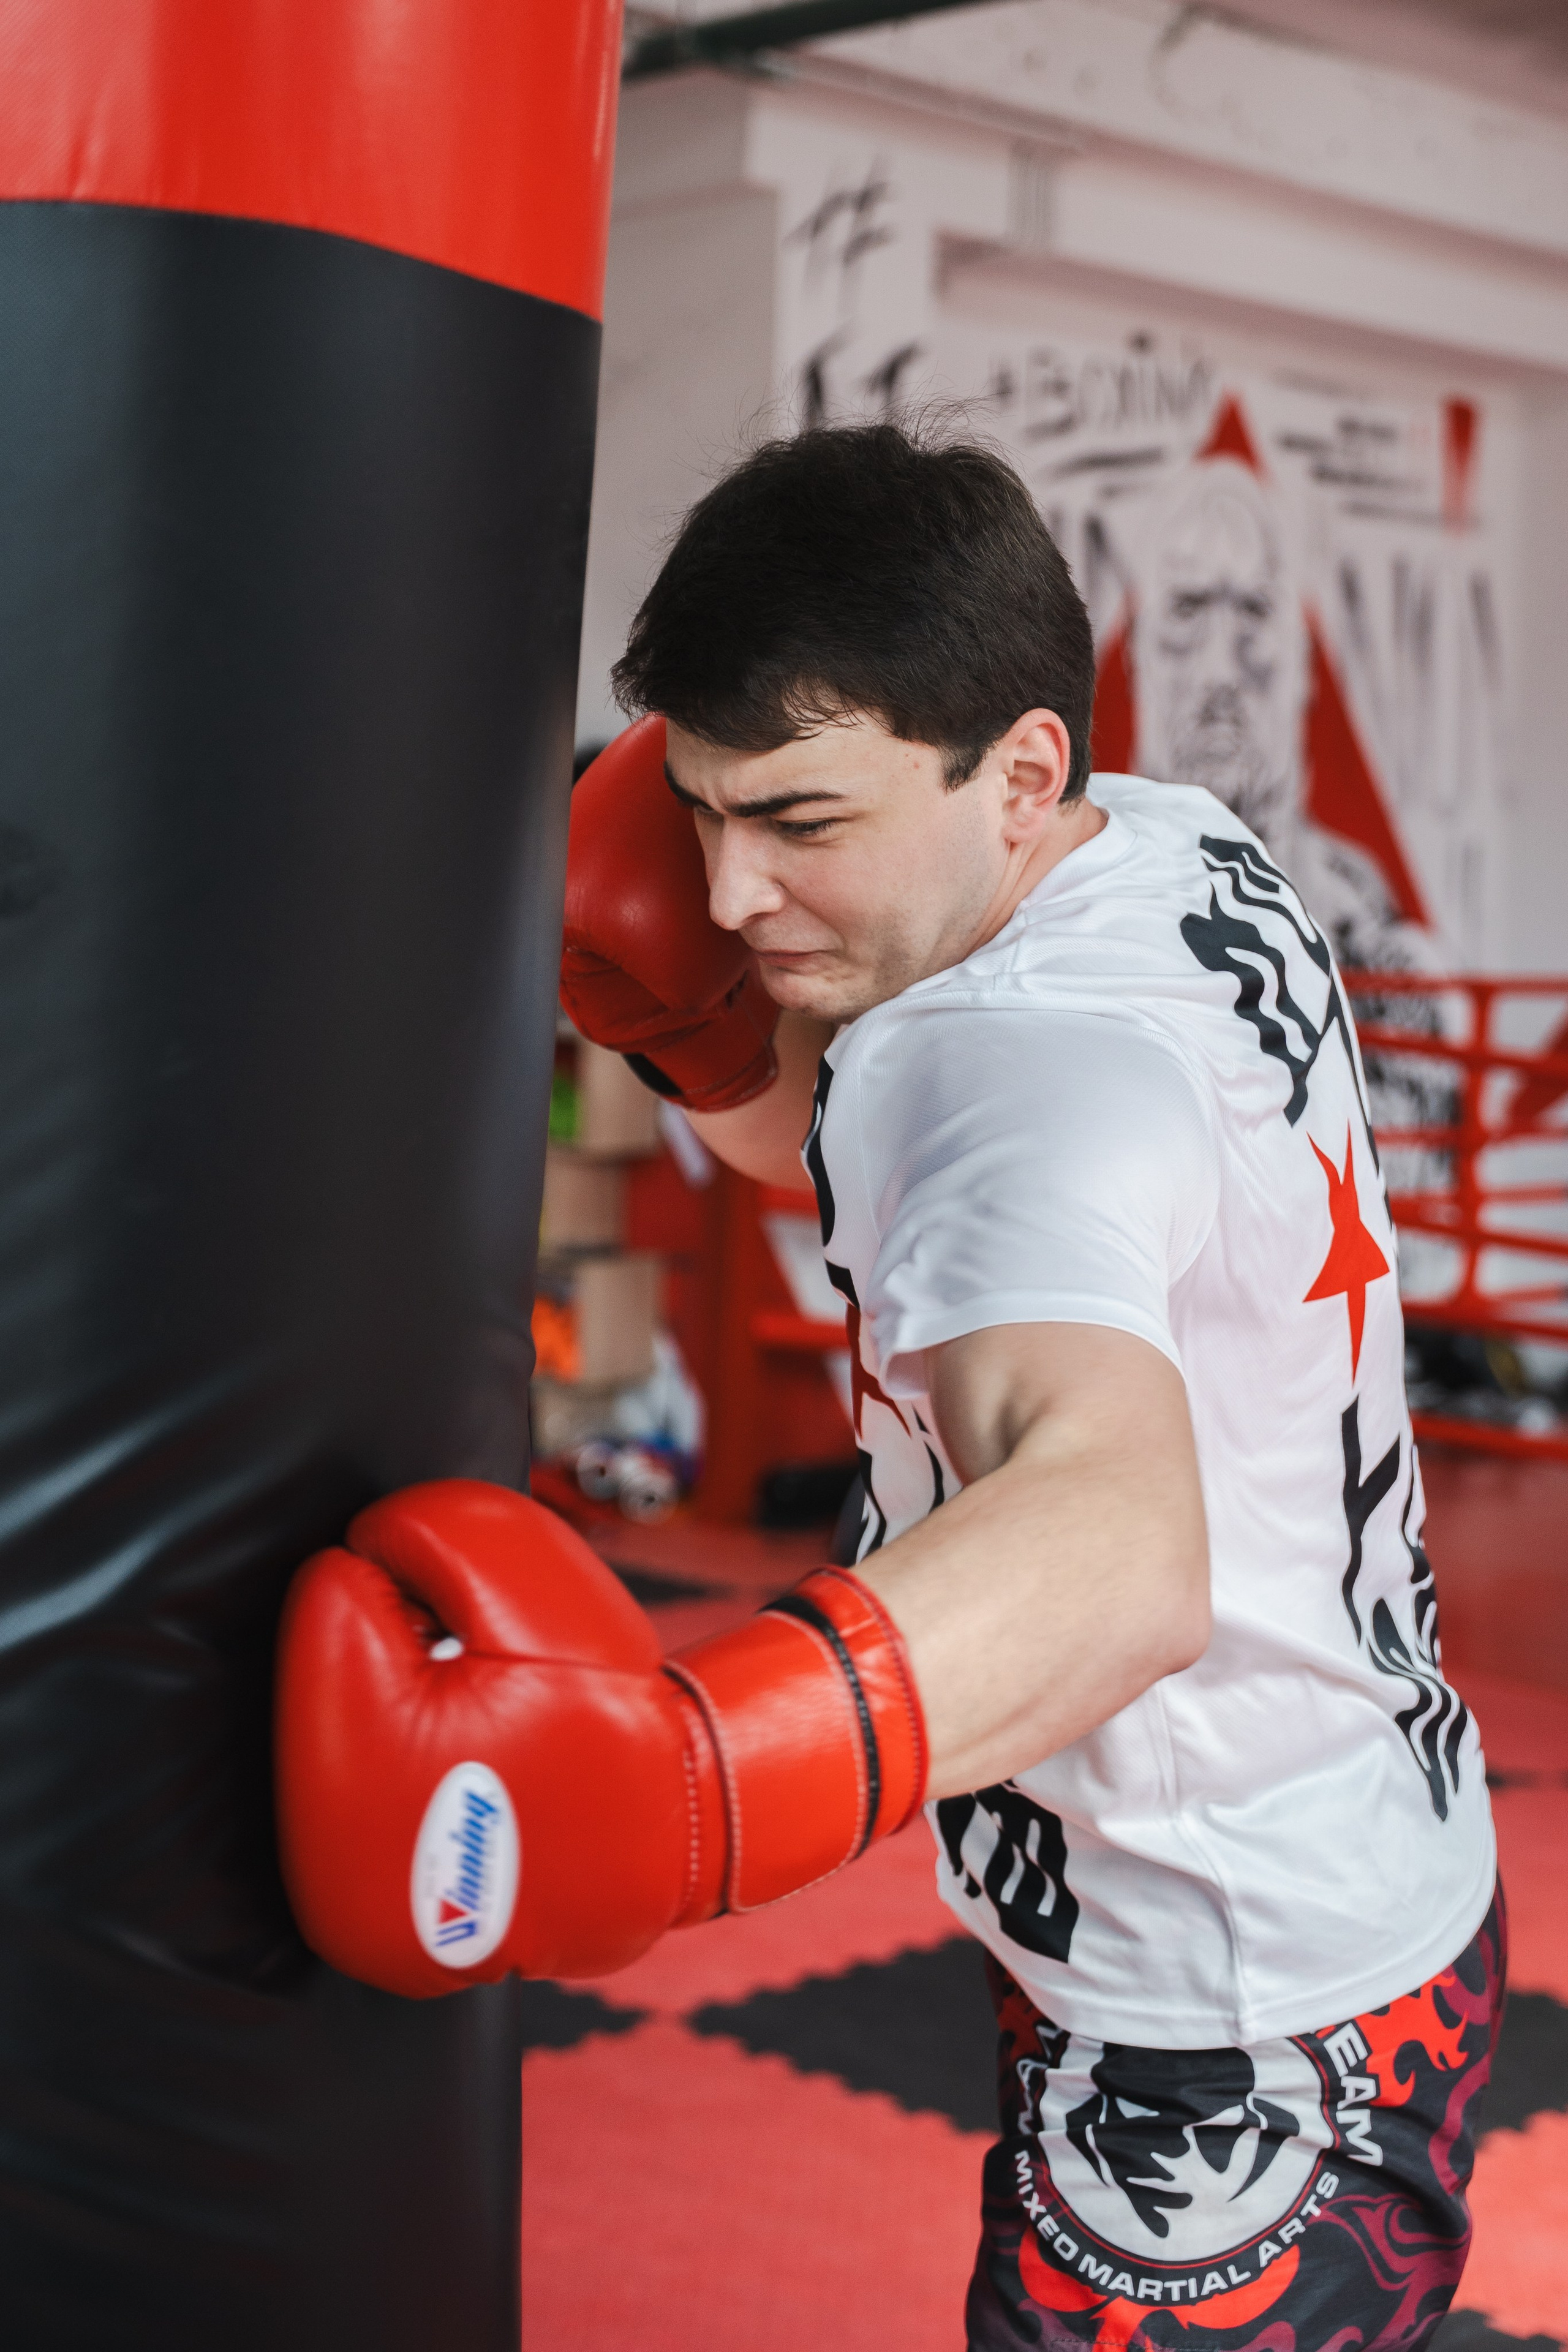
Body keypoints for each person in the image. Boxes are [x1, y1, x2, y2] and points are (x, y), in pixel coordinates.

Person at [276, 423, 1500, 2350]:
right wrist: (696, 1040)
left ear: (1014, 771)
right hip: (1338, 1852)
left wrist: (689, 1786)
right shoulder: (1172, 842)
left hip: (1222, 2014)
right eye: (699, 815)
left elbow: (1117, 1549)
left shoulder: (1002, 1076)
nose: (736, 893)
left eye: (804, 822)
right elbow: (854, 1157)